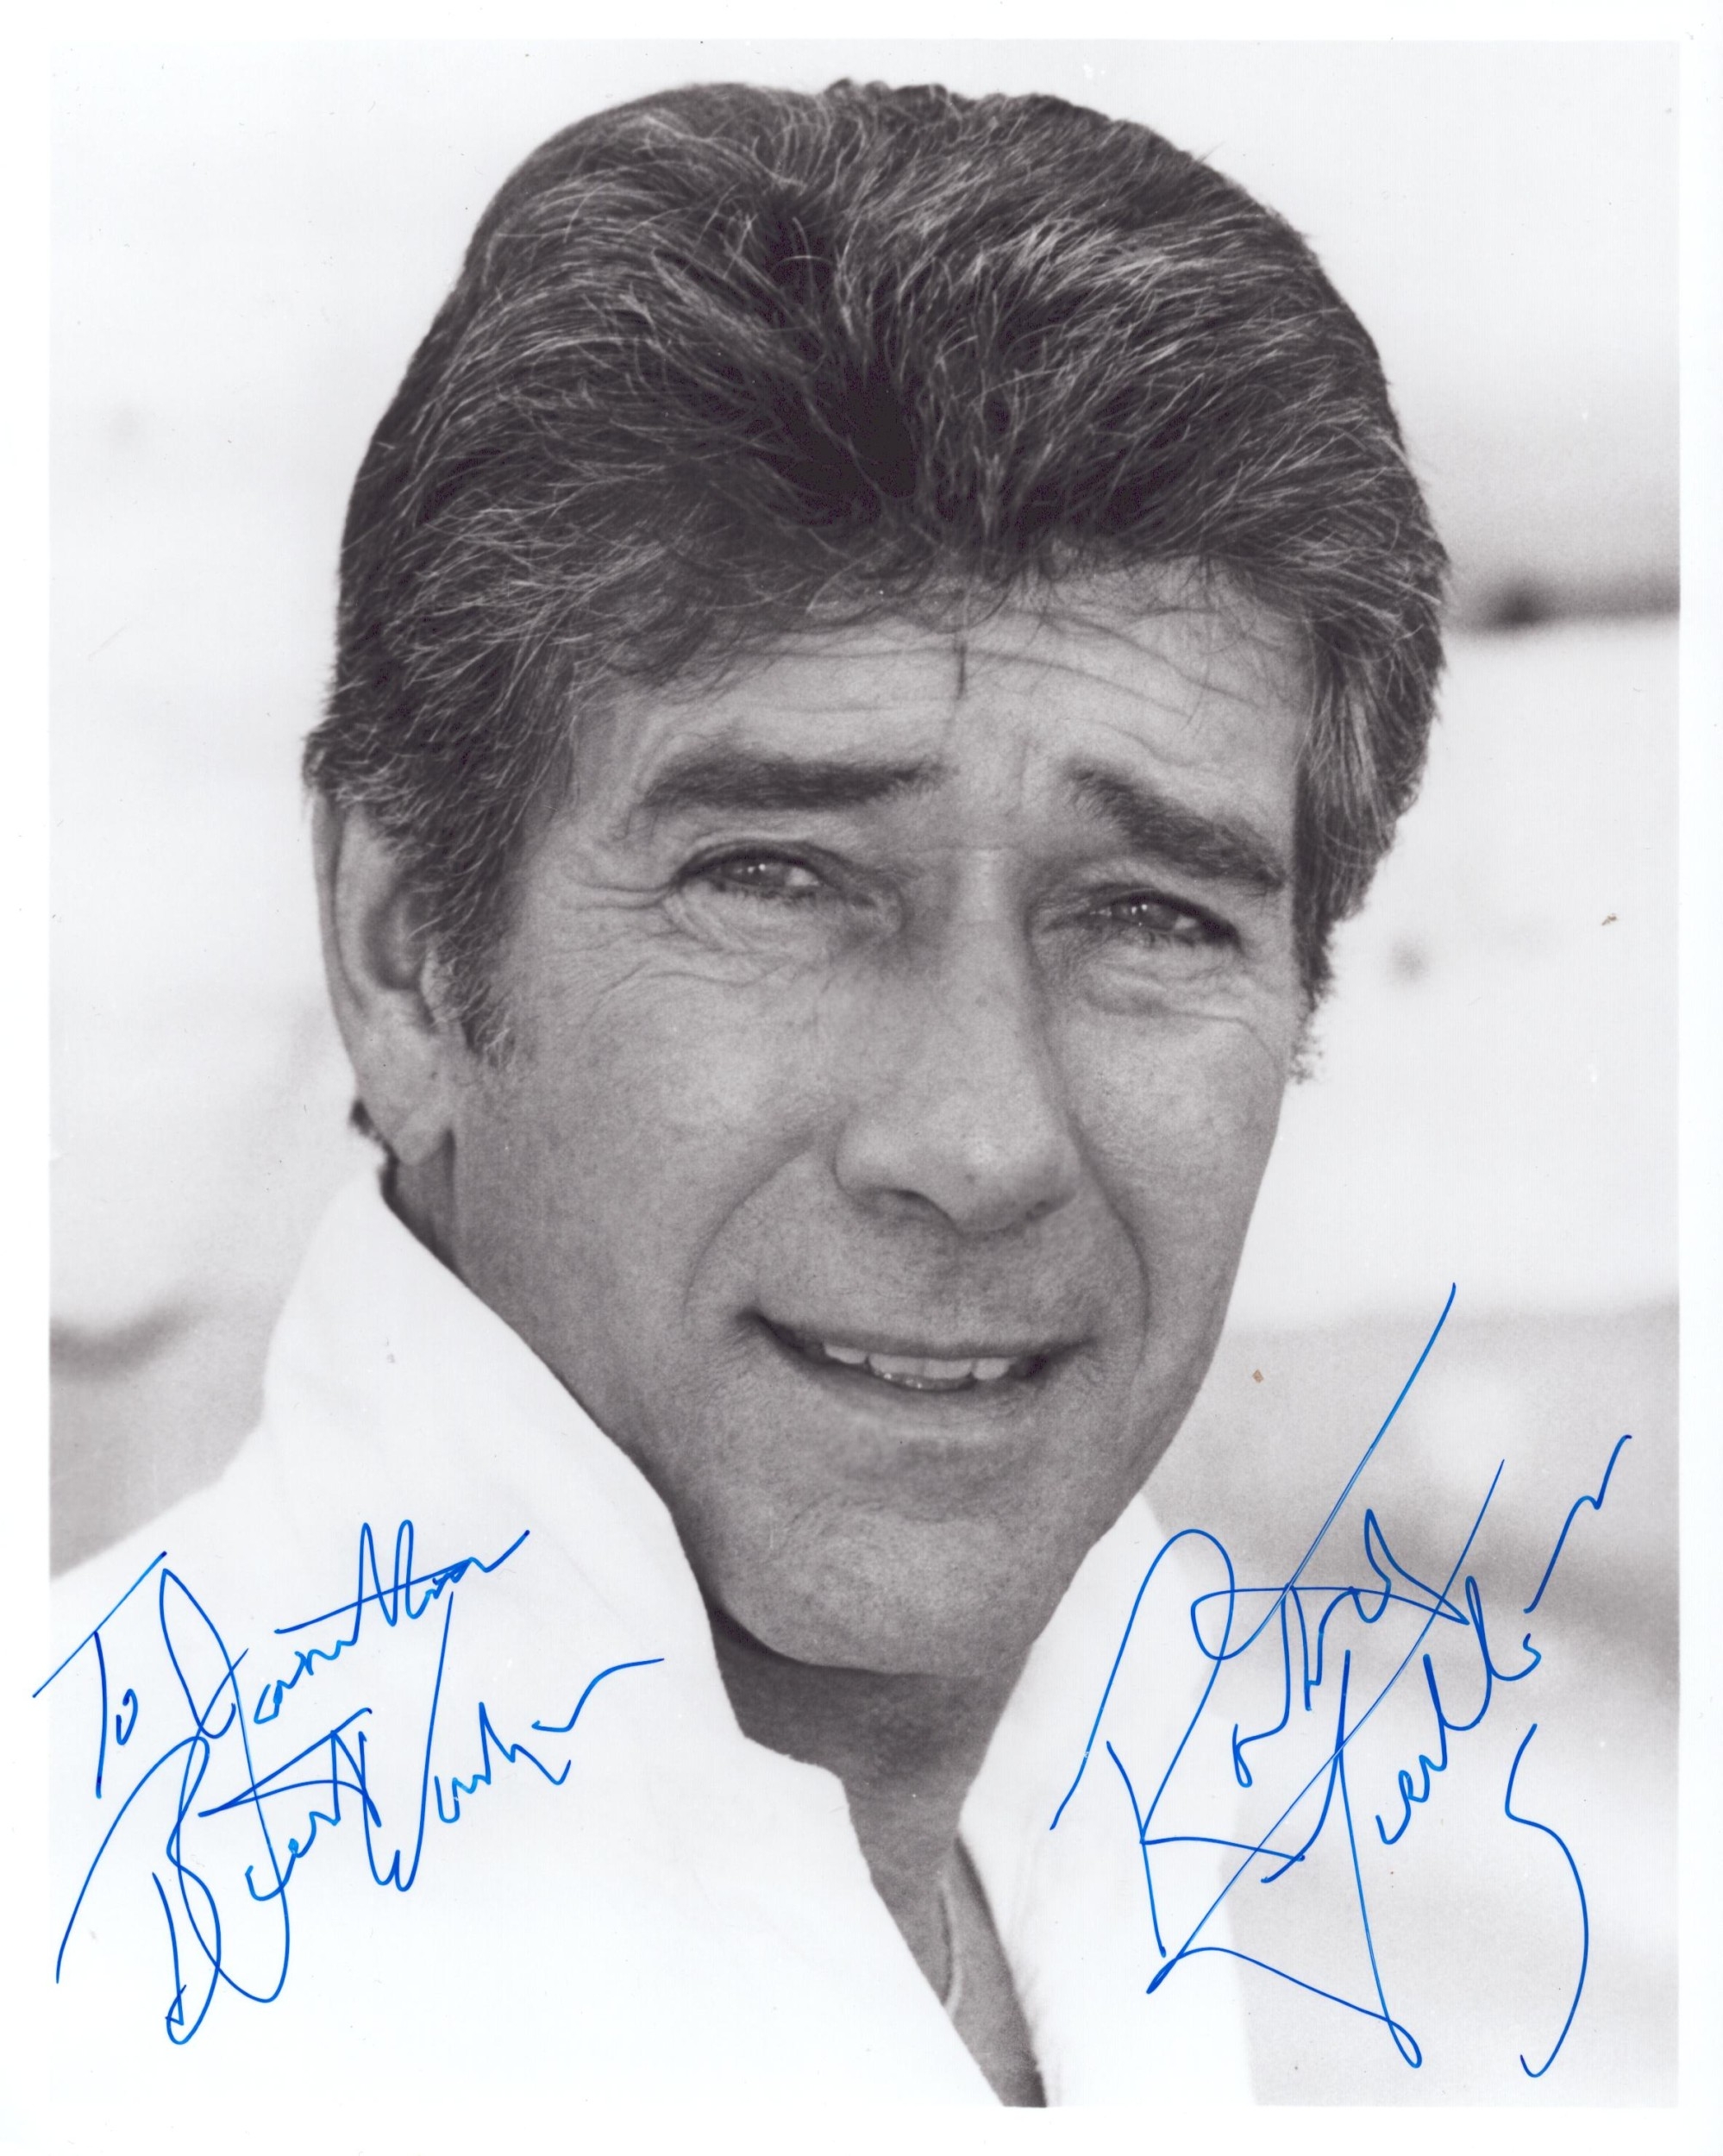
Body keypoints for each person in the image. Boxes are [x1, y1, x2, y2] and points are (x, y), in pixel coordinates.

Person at [43, 78, 1444, 2117]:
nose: (981, 1142)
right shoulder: (84, 1986)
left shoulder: (1128, 1757)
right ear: (405, 954)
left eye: (1150, 914)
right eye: (778, 879)